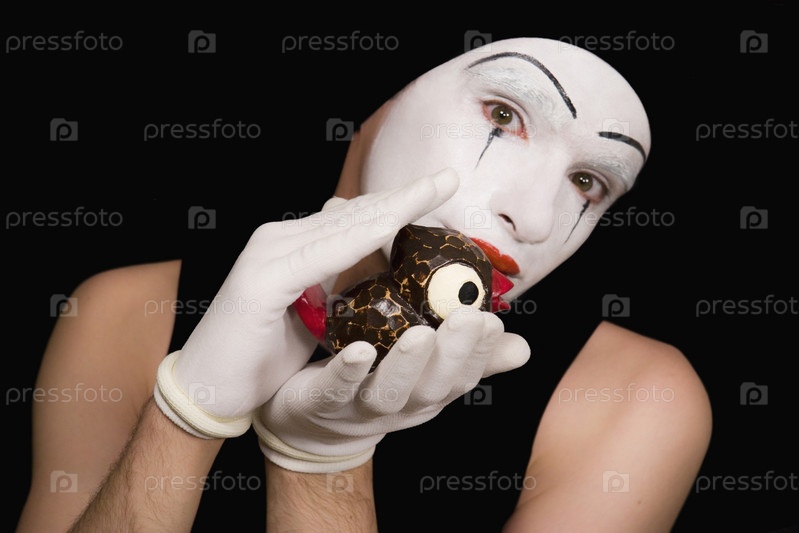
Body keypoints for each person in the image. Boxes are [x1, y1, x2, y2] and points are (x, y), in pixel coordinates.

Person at [16, 37, 712, 532]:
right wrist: (185, 417)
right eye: (504, 115)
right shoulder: (125, 312)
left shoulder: (635, 398)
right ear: (384, 99)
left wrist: (323, 461)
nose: (533, 218)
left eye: (587, 181)